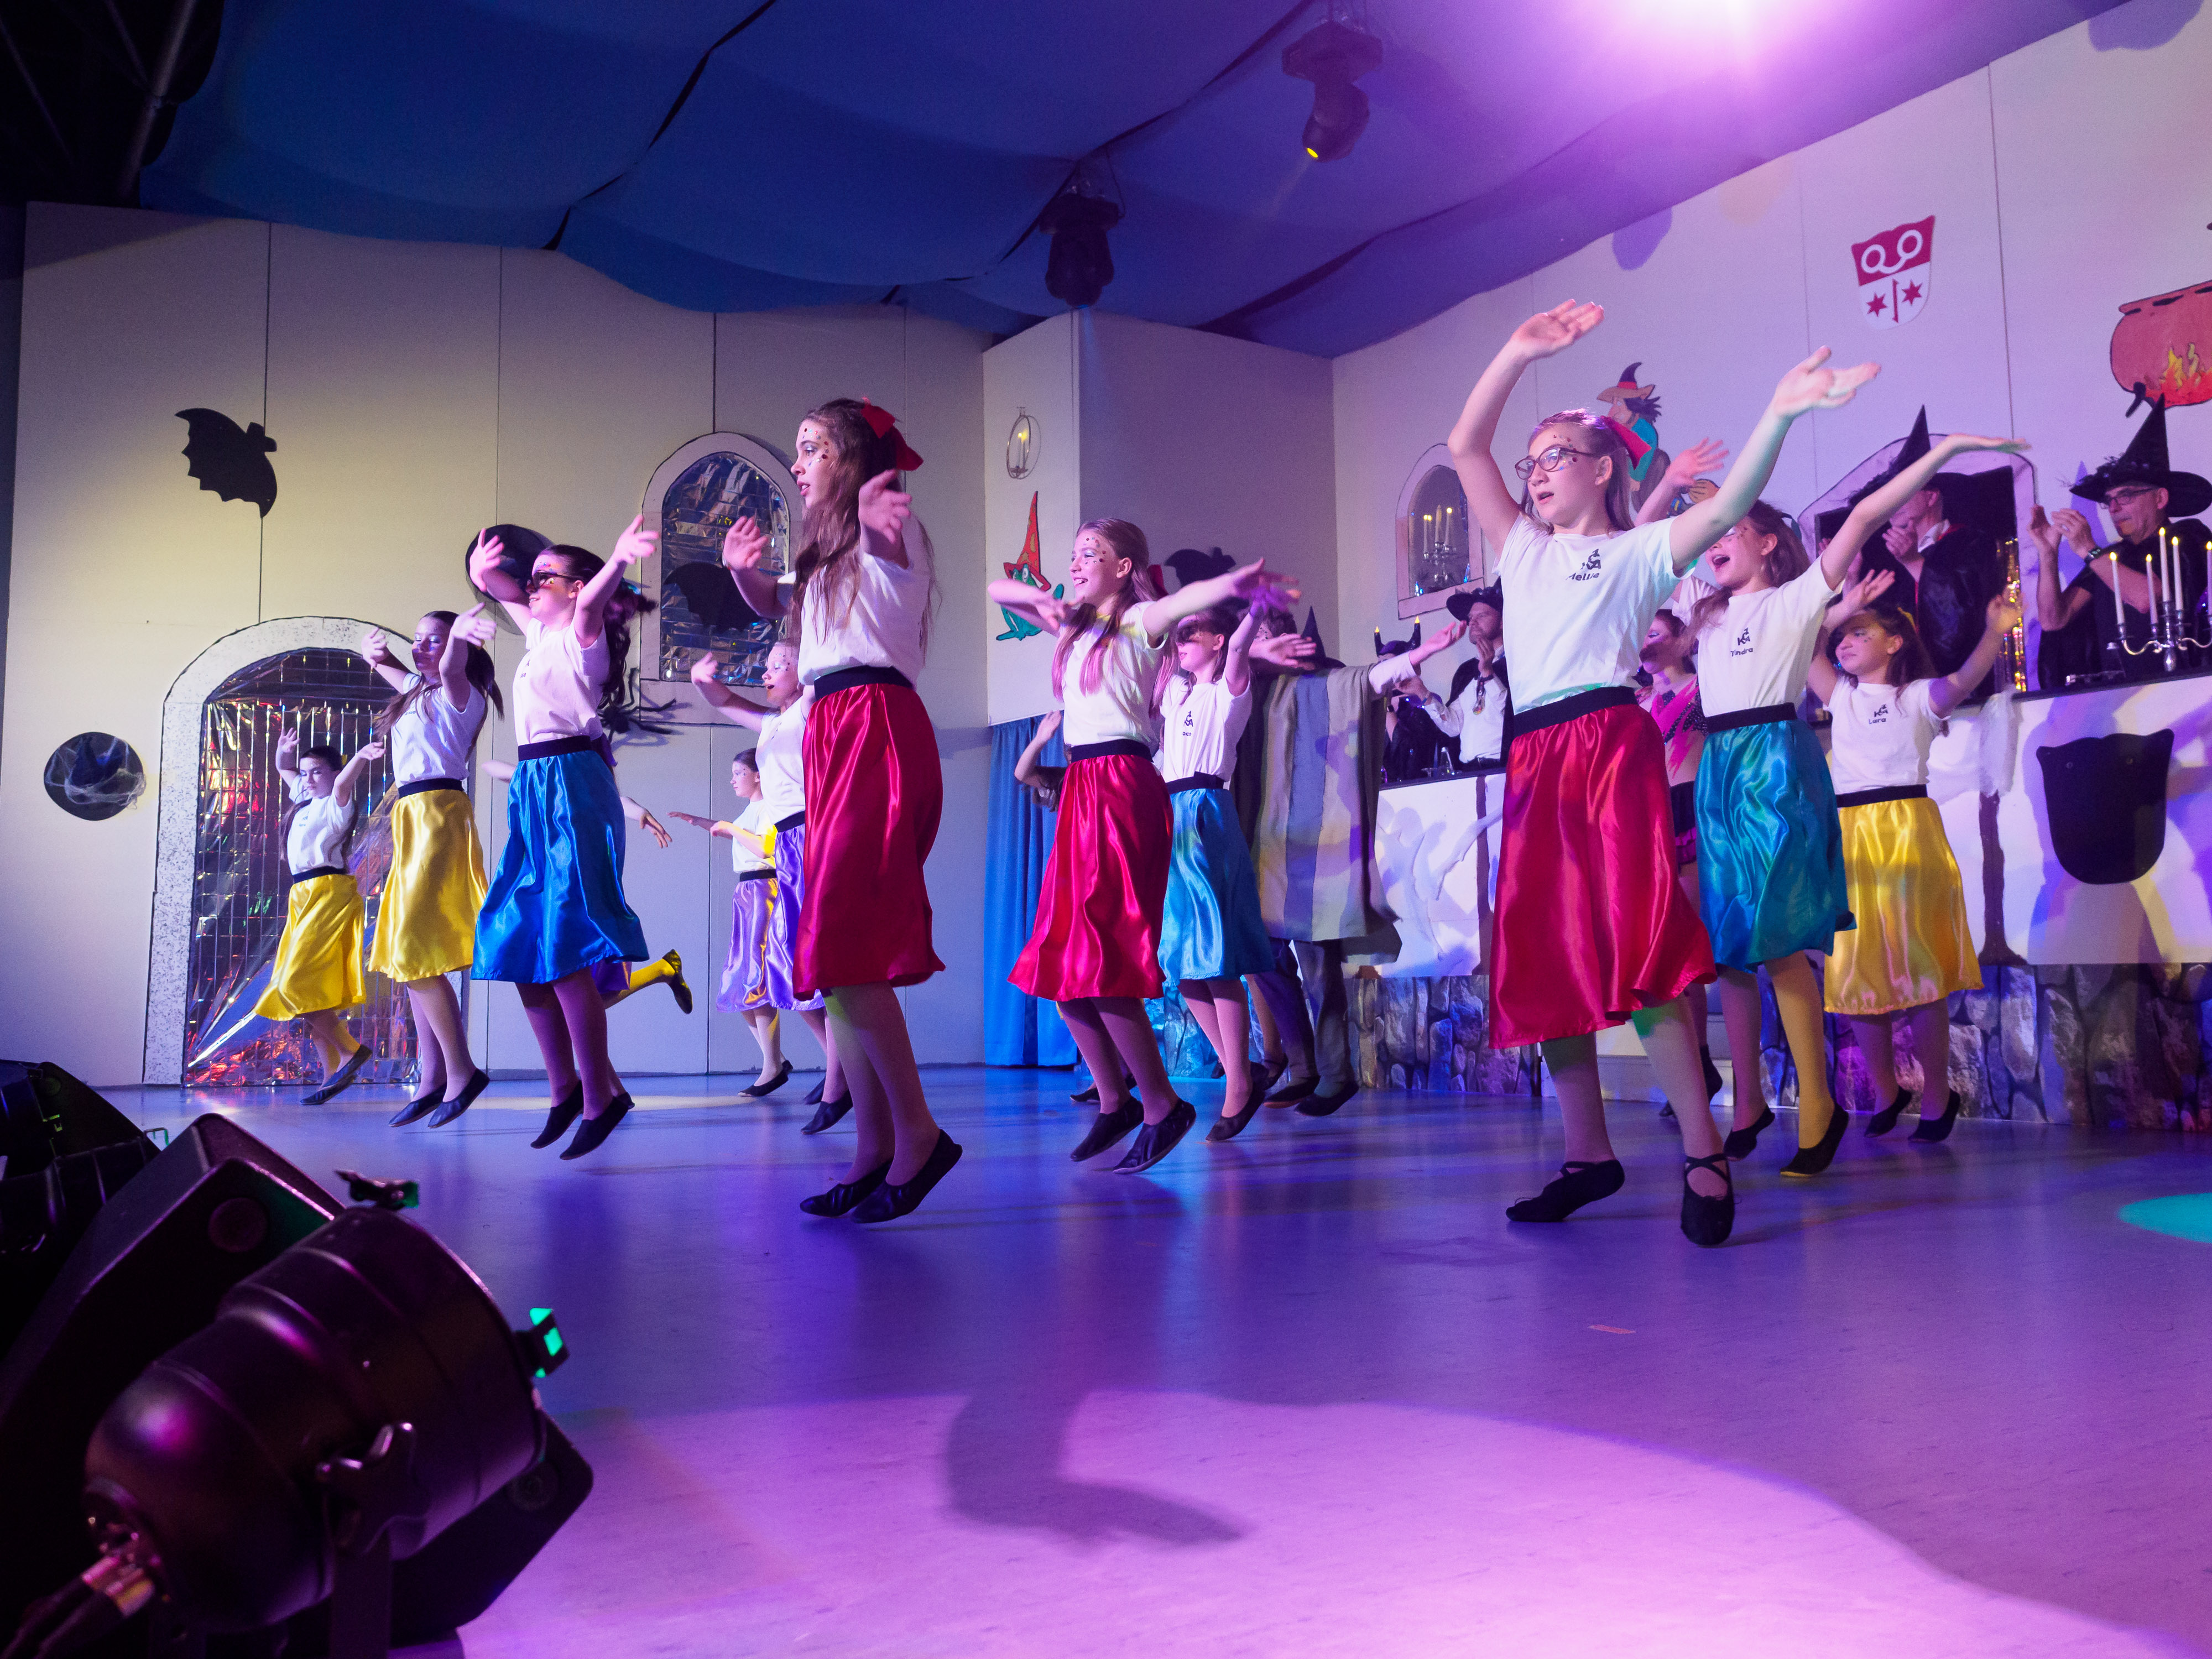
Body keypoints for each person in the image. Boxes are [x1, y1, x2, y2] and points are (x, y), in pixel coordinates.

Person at [1447, 295, 1877, 1245]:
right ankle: (1587, 1154)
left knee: (1641, 949)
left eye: (1555, 456)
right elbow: (1466, 444)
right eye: (1532, 462)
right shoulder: (1519, 548)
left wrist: (1780, 413)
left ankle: (1703, 1148)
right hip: (1535, 756)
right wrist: (1516, 350)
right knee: (1546, 954)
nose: (1535, 472)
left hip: (1609, 747)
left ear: (1603, 468)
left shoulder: (1641, 552)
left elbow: (1725, 505)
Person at [1692, 431, 2025, 1180]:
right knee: (1827, 967)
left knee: (1891, 967)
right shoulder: (1724, 622)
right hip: (1788, 802)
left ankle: (1910, 1096)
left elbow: (1866, 521)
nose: (1716, 537)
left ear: (1769, 541)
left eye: (1734, 527)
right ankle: (1858, 1093)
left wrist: (1945, 455)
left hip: (1877, 817)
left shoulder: (1900, 687)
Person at [991, 520, 1292, 1173]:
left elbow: (1184, 601)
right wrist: (1043, 600)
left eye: (1091, 553)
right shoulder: (1074, 630)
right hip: (1082, 787)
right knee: (1058, 961)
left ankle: (1161, 1105)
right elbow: (996, 590)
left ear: (1125, 567)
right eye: (1074, 554)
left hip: (1121, 784)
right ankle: (1115, 1101)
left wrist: (1234, 584)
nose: (1076, 563)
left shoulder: (1138, 622)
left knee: (1100, 957)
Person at [719, 397, 957, 1221]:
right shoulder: (824, 555)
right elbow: (774, 604)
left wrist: (878, 517)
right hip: (836, 729)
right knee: (831, 954)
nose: (797, 463)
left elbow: (890, 546)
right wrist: (743, 572)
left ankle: (918, 1133)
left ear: (850, 458)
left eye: (811, 448)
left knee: (851, 949)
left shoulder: (887, 528)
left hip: (874, 727)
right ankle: (875, 1146)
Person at [463, 523, 658, 1160]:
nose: (532, 584)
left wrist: (619, 560)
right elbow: (502, 589)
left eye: (546, 577)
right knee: (519, 941)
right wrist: (482, 573)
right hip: (534, 784)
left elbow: (595, 600)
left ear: (576, 590)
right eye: (533, 576)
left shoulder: (581, 636)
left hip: (571, 784)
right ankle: (565, 1090)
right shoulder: (541, 634)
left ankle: (602, 1097)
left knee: (567, 946)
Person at [1809, 572, 2019, 1144]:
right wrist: (1840, 609)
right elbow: (1805, 642)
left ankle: (1937, 1096)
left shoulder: (1918, 696)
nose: (1845, 643)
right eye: (1843, 636)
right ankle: (1886, 1090)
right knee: (1853, 969)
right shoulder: (1840, 696)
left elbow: (1965, 678)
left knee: (1918, 968)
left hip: (1906, 831)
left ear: (1895, 642)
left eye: (1861, 633)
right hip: (1851, 834)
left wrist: (1993, 632)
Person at [1156, 603, 1313, 1142]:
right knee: (1181, 967)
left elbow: (1242, 647)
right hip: (1172, 816)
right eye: (1179, 635)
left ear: (1218, 641)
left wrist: (1254, 609)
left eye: (1191, 633)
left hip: (1206, 812)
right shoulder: (1177, 693)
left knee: (1214, 958)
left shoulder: (1229, 690)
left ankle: (1240, 1086)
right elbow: (1155, 640)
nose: (1181, 642)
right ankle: (1238, 1067)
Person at [690, 640, 849, 1125]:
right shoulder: (773, 723)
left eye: (779, 665)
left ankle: (841, 1082)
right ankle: (839, 1069)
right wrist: (700, 681)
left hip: (812, 834)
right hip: (789, 847)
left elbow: (821, 666)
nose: (766, 673)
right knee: (789, 971)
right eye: (766, 665)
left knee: (822, 965)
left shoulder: (808, 707)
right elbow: (724, 700)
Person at [359, 607, 500, 1129]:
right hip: (412, 815)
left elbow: (452, 667)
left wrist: (456, 640)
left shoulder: (461, 693)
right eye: (417, 639)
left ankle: (461, 1071)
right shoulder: (417, 691)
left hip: (437, 814)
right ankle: (433, 1076)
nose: (420, 647)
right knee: (411, 953)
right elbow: (395, 667)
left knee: (412, 950)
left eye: (433, 640)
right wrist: (377, 656)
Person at [2029, 400, 2211, 686]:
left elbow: (2148, 599)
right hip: (2118, 698)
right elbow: (2055, 619)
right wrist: (2048, 555)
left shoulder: (2188, 537)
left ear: (2160, 498)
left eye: (2126, 496)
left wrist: (2089, 550)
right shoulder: (2111, 557)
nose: (2114, 508)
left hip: (2183, 691)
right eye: (2109, 500)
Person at [254, 723, 381, 1104]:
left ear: (334, 773)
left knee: (296, 983)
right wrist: (284, 751)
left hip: (327, 892)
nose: (308, 779)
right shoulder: (305, 797)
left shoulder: (336, 804)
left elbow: (343, 783)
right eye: (306, 773)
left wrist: (360, 758)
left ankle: (350, 1051)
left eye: (317, 772)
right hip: (304, 894)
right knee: (314, 992)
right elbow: (284, 768)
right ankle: (331, 1076)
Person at [1846, 411, 2004, 696]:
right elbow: (1873, 631)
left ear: (1931, 496)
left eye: (1904, 492)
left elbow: (1962, 622)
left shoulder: (1971, 543)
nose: (1893, 503)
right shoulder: (1890, 561)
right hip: (1903, 696)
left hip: (1962, 695)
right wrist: (1851, 579)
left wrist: (1914, 563)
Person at [1635, 608, 1722, 1104]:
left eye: (1655, 633)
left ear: (1681, 640)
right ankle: (1696, 1066)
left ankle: (1702, 1059)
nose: (1645, 643)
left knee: (1690, 935)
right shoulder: (1638, 704)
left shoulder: (1705, 688)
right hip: (1655, 817)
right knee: (1669, 944)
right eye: (1642, 635)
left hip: (1694, 809)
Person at [670, 750, 789, 1097]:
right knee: (739, 979)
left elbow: (764, 848)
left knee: (755, 976)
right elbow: (739, 835)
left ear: (758, 775)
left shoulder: (770, 808)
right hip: (747, 894)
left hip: (764, 890)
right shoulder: (750, 811)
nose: (733, 779)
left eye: (739, 773)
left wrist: (729, 827)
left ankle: (772, 1066)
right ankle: (775, 1059)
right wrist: (703, 822)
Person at [1013, 709, 1066, 811]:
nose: (1070, 751)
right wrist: (1039, 740)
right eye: (1068, 748)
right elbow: (1022, 774)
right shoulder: (1065, 779)